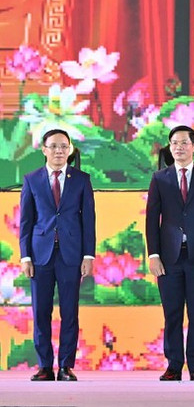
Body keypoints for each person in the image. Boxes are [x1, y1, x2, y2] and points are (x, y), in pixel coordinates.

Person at [145, 125, 194, 382]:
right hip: (168, 257)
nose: (178, 147)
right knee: (173, 313)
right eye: (174, 143)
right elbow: (152, 220)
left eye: (184, 143)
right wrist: (153, 254)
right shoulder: (160, 179)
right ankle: (174, 365)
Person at [19, 129, 96, 382]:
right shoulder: (31, 180)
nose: (59, 151)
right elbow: (26, 222)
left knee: (69, 312)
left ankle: (65, 366)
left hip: (71, 256)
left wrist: (88, 255)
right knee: (40, 312)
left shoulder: (82, 179)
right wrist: (25, 257)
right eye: (53, 146)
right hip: (39, 256)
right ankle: (44, 366)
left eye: (64, 146)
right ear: (44, 150)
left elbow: (88, 221)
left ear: (71, 149)